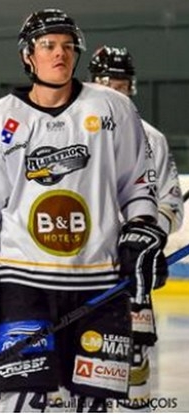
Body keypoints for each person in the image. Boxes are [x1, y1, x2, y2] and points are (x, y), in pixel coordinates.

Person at [0, 9, 166, 412]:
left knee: (93, 403)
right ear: (27, 56)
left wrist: (141, 227)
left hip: (100, 282)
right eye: (48, 45)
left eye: (68, 46)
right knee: (24, 398)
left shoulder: (114, 111)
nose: (60, 54)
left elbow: (138, 182)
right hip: (22, 284)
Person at [89, 45, 184, 412]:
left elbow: (171, 204)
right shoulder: (73, 130)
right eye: (107, 83)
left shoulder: (152, 139)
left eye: (122, 83)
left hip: (132, 271)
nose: (116, 90)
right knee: (82, 359)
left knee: (133, 359)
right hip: (80, 270)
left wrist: (147, 234)